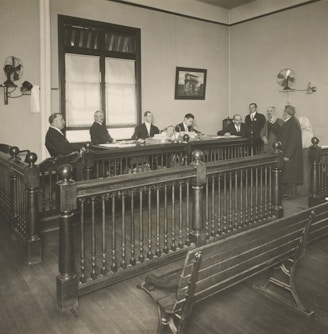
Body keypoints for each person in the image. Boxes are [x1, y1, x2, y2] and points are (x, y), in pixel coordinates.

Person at [278, 105, 303, 199]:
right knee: (288, 175)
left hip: (291, 156)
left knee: (291, 176)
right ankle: (287, 194)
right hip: (287, 154)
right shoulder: (290, 122)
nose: (283, 114)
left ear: (288, 114)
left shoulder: (293, 123)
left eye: (284, 112)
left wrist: (288, 155)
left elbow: (293, 140)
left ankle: (291, 196)